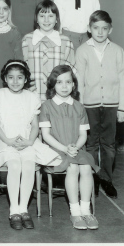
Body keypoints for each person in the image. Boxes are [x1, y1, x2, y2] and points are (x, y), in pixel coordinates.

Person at [0, 60, 61, 230]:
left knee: (28, 164)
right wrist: (8, 141)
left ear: (26, 79)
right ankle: (14, 210)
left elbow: (35, 125)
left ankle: (23, 209)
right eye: (11, 77)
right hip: (4, 139)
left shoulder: (32, 97)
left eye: (20, 77)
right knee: (14, 164)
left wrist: (29, 141)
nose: (15, 81)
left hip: (28, 139)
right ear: (5, 78)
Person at [40, 65, 99, 230]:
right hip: (55, 149)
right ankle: (75, 212)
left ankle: (86, 210)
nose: (64, 86)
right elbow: (46, 135)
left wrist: (74, 147)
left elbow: (83, 135)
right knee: (73, 167)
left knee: (86, 166)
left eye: (68, 82)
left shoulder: (79, 107)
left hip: (76, 148)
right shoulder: (47, 106)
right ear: (53, 85)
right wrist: (65, 149)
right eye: (59, 82)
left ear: (74, 85)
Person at [75, 10, 124, 198]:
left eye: (104, 28)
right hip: (89, 105)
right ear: (89, 29)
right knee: (91, 143)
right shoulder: (82, 50)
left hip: (112, 104)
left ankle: (106, 179)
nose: (100, 32)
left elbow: (122, 79)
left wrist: (121, 107)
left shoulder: (118, 51)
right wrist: (79, 105)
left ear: (110, 29)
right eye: (96, 28)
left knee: (109, 145)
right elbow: (78, 80)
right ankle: (92, 178)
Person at [22, 0, 75, 101]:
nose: (46, 20)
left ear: (56, 19)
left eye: (51, 16)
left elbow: (71, 72)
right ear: (36, 19)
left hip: (58, 98)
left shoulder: (65, 41)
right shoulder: (27, 40)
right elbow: (23, 69)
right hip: (32, 96)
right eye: (42, 16)